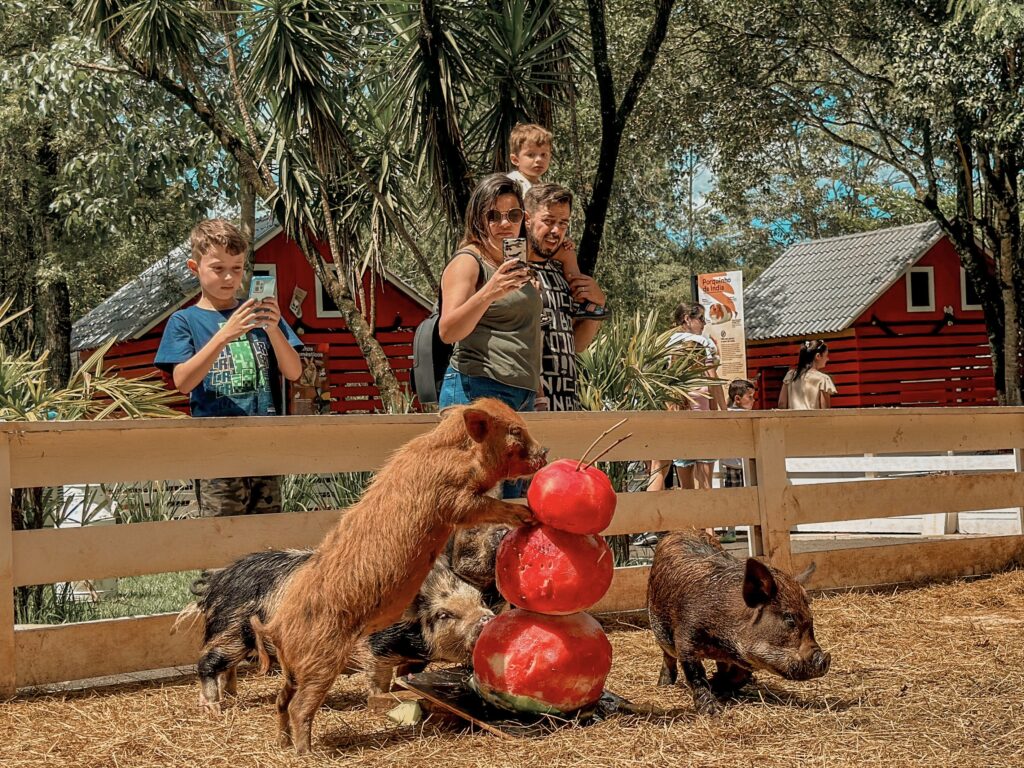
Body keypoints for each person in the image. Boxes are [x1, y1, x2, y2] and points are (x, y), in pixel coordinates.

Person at [155, 218, 302, 516]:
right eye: (218, 268)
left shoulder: (259, 314)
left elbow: (294, 372)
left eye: (236, 269)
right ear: (194, 268)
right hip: (216, 448)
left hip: (264, 445)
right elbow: (183, 381)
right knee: (222, 539)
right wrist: (224, 334)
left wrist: (273, 329)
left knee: (267, 545)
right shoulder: (184, 321)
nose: (228, 278)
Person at [437, 173, 542, 413]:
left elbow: (528, 334)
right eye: (493, 216)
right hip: (476, 389)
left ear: (523, 219)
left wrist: (539, 394)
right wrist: (489, 293)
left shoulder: (514, 266)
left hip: (522, 395)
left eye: (513, 215)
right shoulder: (468, 262)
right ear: (478, 220)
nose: (505, 224)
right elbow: (448, 331)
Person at [507, 123, 608, 320]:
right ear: (515, 159)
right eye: (531, 154)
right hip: (517, 242)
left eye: (544, 155)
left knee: (568, 253)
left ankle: (579, 298)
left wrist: (561, 236)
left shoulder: (540, 186)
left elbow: (550, 218)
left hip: (534, 241)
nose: (539, 160)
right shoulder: (514, 184)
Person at [523, 183, 607, 412]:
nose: (556, 231)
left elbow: (576, 344)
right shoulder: (511, 272)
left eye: (563, 223)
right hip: (525, 404)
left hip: (567, 402)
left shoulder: (562, 271)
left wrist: (598, 306)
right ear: (527, 219)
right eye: (548, 221)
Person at [647, 302, 728, 495]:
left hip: (671, 413)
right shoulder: (702, 343)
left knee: (660, 468)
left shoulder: (665, 343)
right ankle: (706, 525)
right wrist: (723, 412)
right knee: (704, 479)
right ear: (687, 319)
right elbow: (713, 381)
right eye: (700, 318)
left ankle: (647, 519)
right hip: (699, 415)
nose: (704, 323)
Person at [719, 378, 757, 544]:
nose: (753, 401)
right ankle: (732, 530)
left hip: (741, 463)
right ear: (738, 399)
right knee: (734, 499)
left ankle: (737, 529)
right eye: (750, 397)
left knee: (738, 498)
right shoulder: (733, 414)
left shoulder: (730, 414)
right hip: (734, 464)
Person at [778, 339, 836, 410]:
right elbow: (825, 409)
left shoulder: (790, 375)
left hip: (793, 420)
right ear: (818, 356)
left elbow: (782, 404)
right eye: (826, 355)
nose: (828, 359)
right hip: (814, 421)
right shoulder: (823, 379)